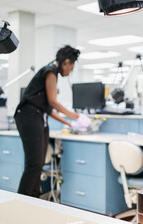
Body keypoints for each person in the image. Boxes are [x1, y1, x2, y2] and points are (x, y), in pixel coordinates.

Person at [14, 45, 91, 197]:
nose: (70, 71)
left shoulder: (51, 72)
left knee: (39, 163)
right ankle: (21, 200)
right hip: (29, 117)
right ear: (66, 62)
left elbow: (48, 108)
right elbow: (53, 102)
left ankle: (34, 199)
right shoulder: (50, 71)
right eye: (72, 67)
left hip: (38, 117)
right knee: (34, 164)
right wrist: (76, 116)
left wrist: (70, 123)